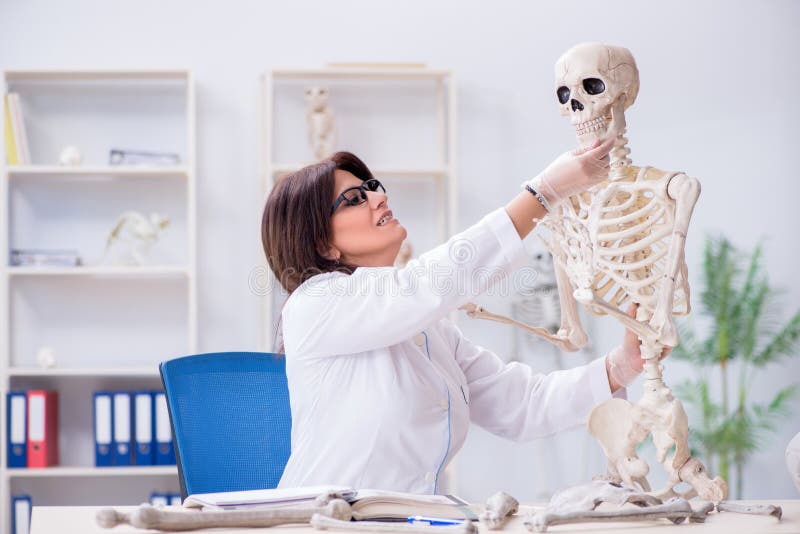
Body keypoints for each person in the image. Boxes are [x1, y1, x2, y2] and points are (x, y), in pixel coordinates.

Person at [261, 142, 658, 494]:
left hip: (403, 522)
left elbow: (522, 404)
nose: (377, 199)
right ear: (322, 244)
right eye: (353, 199)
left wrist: (620, 367)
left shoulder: (430, 332)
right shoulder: (313, 305)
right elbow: (426, 284)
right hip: (323, 522)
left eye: (371, 188)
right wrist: (544, 193)